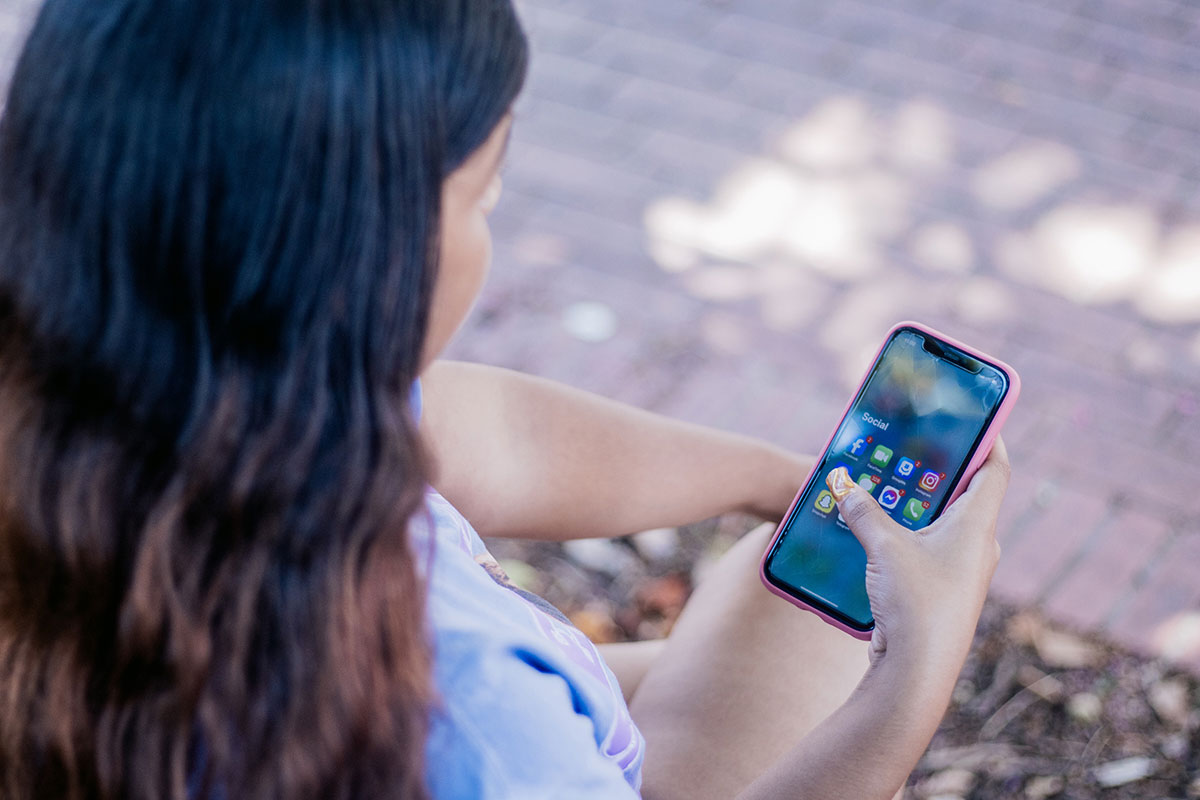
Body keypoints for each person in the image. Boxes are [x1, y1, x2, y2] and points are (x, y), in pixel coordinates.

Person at [0, 0, 1010, 798]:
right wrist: (912, 681)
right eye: (482, 194)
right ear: (355, 263)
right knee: (798, 613)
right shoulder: (468, 712)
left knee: (774, 587)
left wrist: (775, 476)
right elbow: (487, 717)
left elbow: (510, 435)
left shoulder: (172, 386)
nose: (492, 226)